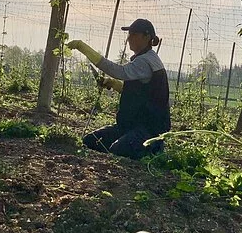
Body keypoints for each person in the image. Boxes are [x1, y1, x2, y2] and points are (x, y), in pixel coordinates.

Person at [67, 19, 170, 160]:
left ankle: (153, 150)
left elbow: (118, 71)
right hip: (131, 126)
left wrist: (83, 47)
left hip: (148, 130)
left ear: (146, 37)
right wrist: (114, 84)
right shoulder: (145, 59)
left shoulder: (145, 61)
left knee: (117, 150)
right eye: (129, 34)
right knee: (90, 141)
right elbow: (141, 93)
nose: (128, 38)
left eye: (133, 34)